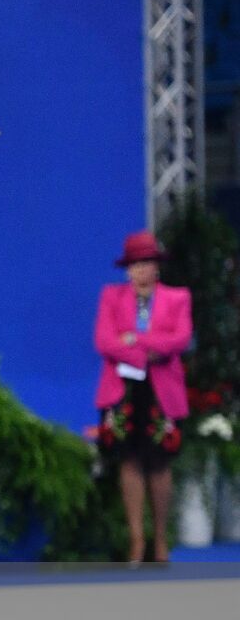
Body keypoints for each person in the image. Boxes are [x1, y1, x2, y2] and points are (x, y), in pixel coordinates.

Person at [94, 231, 192, 564]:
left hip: (161, 391)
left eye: (146, 263)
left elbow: (179, 339)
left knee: (160, 462)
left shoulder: (178, 298)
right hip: (123, 390)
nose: (141, 270)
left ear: (157, 267)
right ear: (127, 268)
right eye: (135, 264)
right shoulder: (111, 296)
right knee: (129, 460)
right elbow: (104, 341)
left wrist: (135, 340)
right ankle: (136, 539)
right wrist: (144, 351)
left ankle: (161, 538)